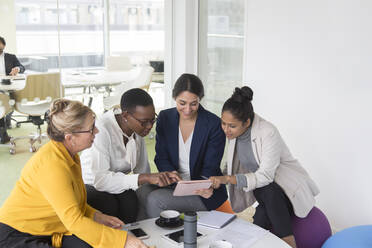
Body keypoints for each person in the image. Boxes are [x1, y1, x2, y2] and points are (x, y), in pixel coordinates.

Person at [0, 99, 148, 248]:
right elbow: (74, 221)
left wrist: (98, 216)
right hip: (16, 235)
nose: (96, 131)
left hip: (50, 229)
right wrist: (124, 241)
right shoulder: (52, 165)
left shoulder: (70, 154)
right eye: (91, 129)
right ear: (70, 137)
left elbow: (74, 204)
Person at [209, 86, 320, 248]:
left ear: (247, 122)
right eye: (223, 123)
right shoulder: (234, 134)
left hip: (289, 191)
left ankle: (289, 242)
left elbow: (266, 176)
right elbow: (232, 168)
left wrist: (227, 179)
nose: (226, 129)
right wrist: (215, 181)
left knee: (263, 203)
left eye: (231, 126)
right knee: (260, 215)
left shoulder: (268, 132)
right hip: (268, 194)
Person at [80, 88, 181, 222]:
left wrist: (162, 179)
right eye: (144, 122)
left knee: (131, 200)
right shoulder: (102, 129)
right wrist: (145, 178)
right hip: (91, 184)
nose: (150, 126)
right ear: (126, 116)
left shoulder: (138, 129)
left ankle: (136, 236)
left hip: (114, 183)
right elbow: (101, 180)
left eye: (152, 120)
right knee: (109, 203)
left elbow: (143, 171)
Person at [144, 73, 228, 218]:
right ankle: (143, 236)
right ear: (174, 98)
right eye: (182, 103)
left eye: (193, 103)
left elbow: (211, 166)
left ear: (200, 99)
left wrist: (203, 185)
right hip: (174, 183)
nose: (188, 110)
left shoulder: (213, 124)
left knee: (155, 200)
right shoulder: (165, 118)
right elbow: (161, 157)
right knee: (142, 192)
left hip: (202, 191)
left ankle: (166, 237)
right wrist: (171, 174)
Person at [0, 36, 25, 143]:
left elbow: (22, 67)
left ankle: (5, 122)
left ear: (4, 46)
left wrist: (17, 69)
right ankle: (3, 132)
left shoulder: (11, 57)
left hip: (8, 87)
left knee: (3, 102)